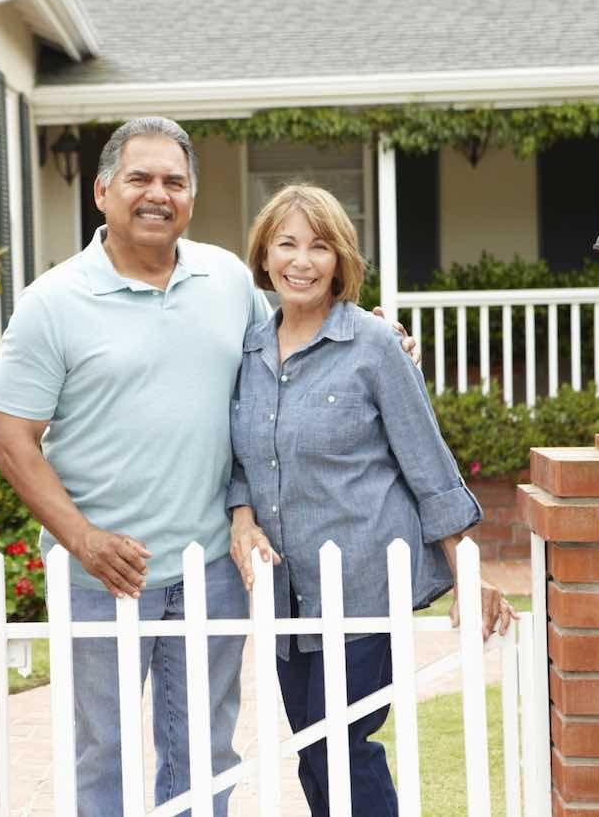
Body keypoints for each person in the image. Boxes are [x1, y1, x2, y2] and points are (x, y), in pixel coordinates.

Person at [0, 116, 415, 815]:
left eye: (174, 181)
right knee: (105, 755)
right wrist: (83, 541)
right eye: (140, 178)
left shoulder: (224, 279)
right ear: (102, 191)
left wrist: (374, 334)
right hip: (103, 575)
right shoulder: (51, 303)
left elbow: (296, 338)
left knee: (204, 755)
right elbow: (13, 441)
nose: (157, 194)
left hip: (211, 568)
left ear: (189, 195)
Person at [226, 183, 517, 816]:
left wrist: (468, 570)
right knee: (311, 748)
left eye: (320, 246)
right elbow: (240, 457)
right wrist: (241, 516)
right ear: (265, 255)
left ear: (341, 261)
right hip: (287, 591)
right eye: (288, 244)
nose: (302, 261)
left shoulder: (375, 346)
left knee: (341, 744)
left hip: (360, 581)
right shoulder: (247, 351)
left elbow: (427, 464)